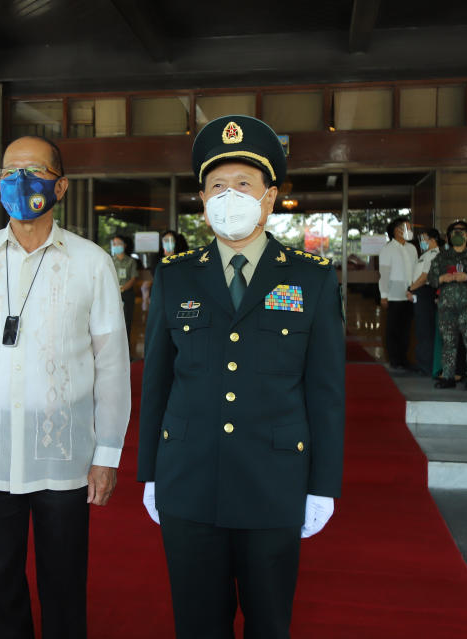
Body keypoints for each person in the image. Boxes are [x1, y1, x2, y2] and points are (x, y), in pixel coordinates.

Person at [138, 115, 345, 639]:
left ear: (270, 198)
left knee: (269, 623)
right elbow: (158, 381)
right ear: (204, 201)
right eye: (217, 187)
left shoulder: (311, 278)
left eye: (244, 185)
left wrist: (322, 485)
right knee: (197, 624)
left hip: (273, 482)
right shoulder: (174, 274)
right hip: (188, 479)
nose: (230, 196)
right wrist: (150, 472)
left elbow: (325, 393)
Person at [0, 135, 130, 639]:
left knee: (64, 584)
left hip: (63, 455)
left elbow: (112, 364)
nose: (20, 182)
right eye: (9, 172)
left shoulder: (91, 263)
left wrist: (107, 451)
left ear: (60, 186)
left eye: (35, 170)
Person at [428, 220, 467, 390]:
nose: (457, 236)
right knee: (448, 343)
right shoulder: (442, 257)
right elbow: (431, 279)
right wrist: (441, 279)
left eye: (461, 232)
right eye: (453, 233)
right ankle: (448, 376)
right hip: (447, 308)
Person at [378, 216, 419, 370]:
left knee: (406, 329)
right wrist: (383, 295)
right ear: (396, 231)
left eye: (410, 228)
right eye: (406, 228)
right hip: (394, 295)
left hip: (409, 294)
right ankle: (394, 358)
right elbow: (384, 273)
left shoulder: (412, 248)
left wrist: (414, 289)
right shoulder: (387, 249)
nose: (409, 231)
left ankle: (404, 358)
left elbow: (416, 270)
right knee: (393, 329)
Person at [409, 228, 441, 377]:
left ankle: (426, 366)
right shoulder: (426, 255)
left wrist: (410, 289)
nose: (421, 242)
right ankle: (422, 364)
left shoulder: (434, 255)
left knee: (425, 331)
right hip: (419, 292)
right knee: (421, 330)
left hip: (425, 292)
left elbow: (424, 277)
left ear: (433, 239)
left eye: (424, 239)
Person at [111, 234, 139, 336]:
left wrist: (122, 288)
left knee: (127, 320)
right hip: (113, 294)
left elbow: (133, 278)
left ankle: (126, 345)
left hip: (127, 294)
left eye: (119, 243)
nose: (116, 245)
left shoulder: (131, 261)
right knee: (113, 320)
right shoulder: (110, 261)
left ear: (125, 245)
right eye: (114, 244)